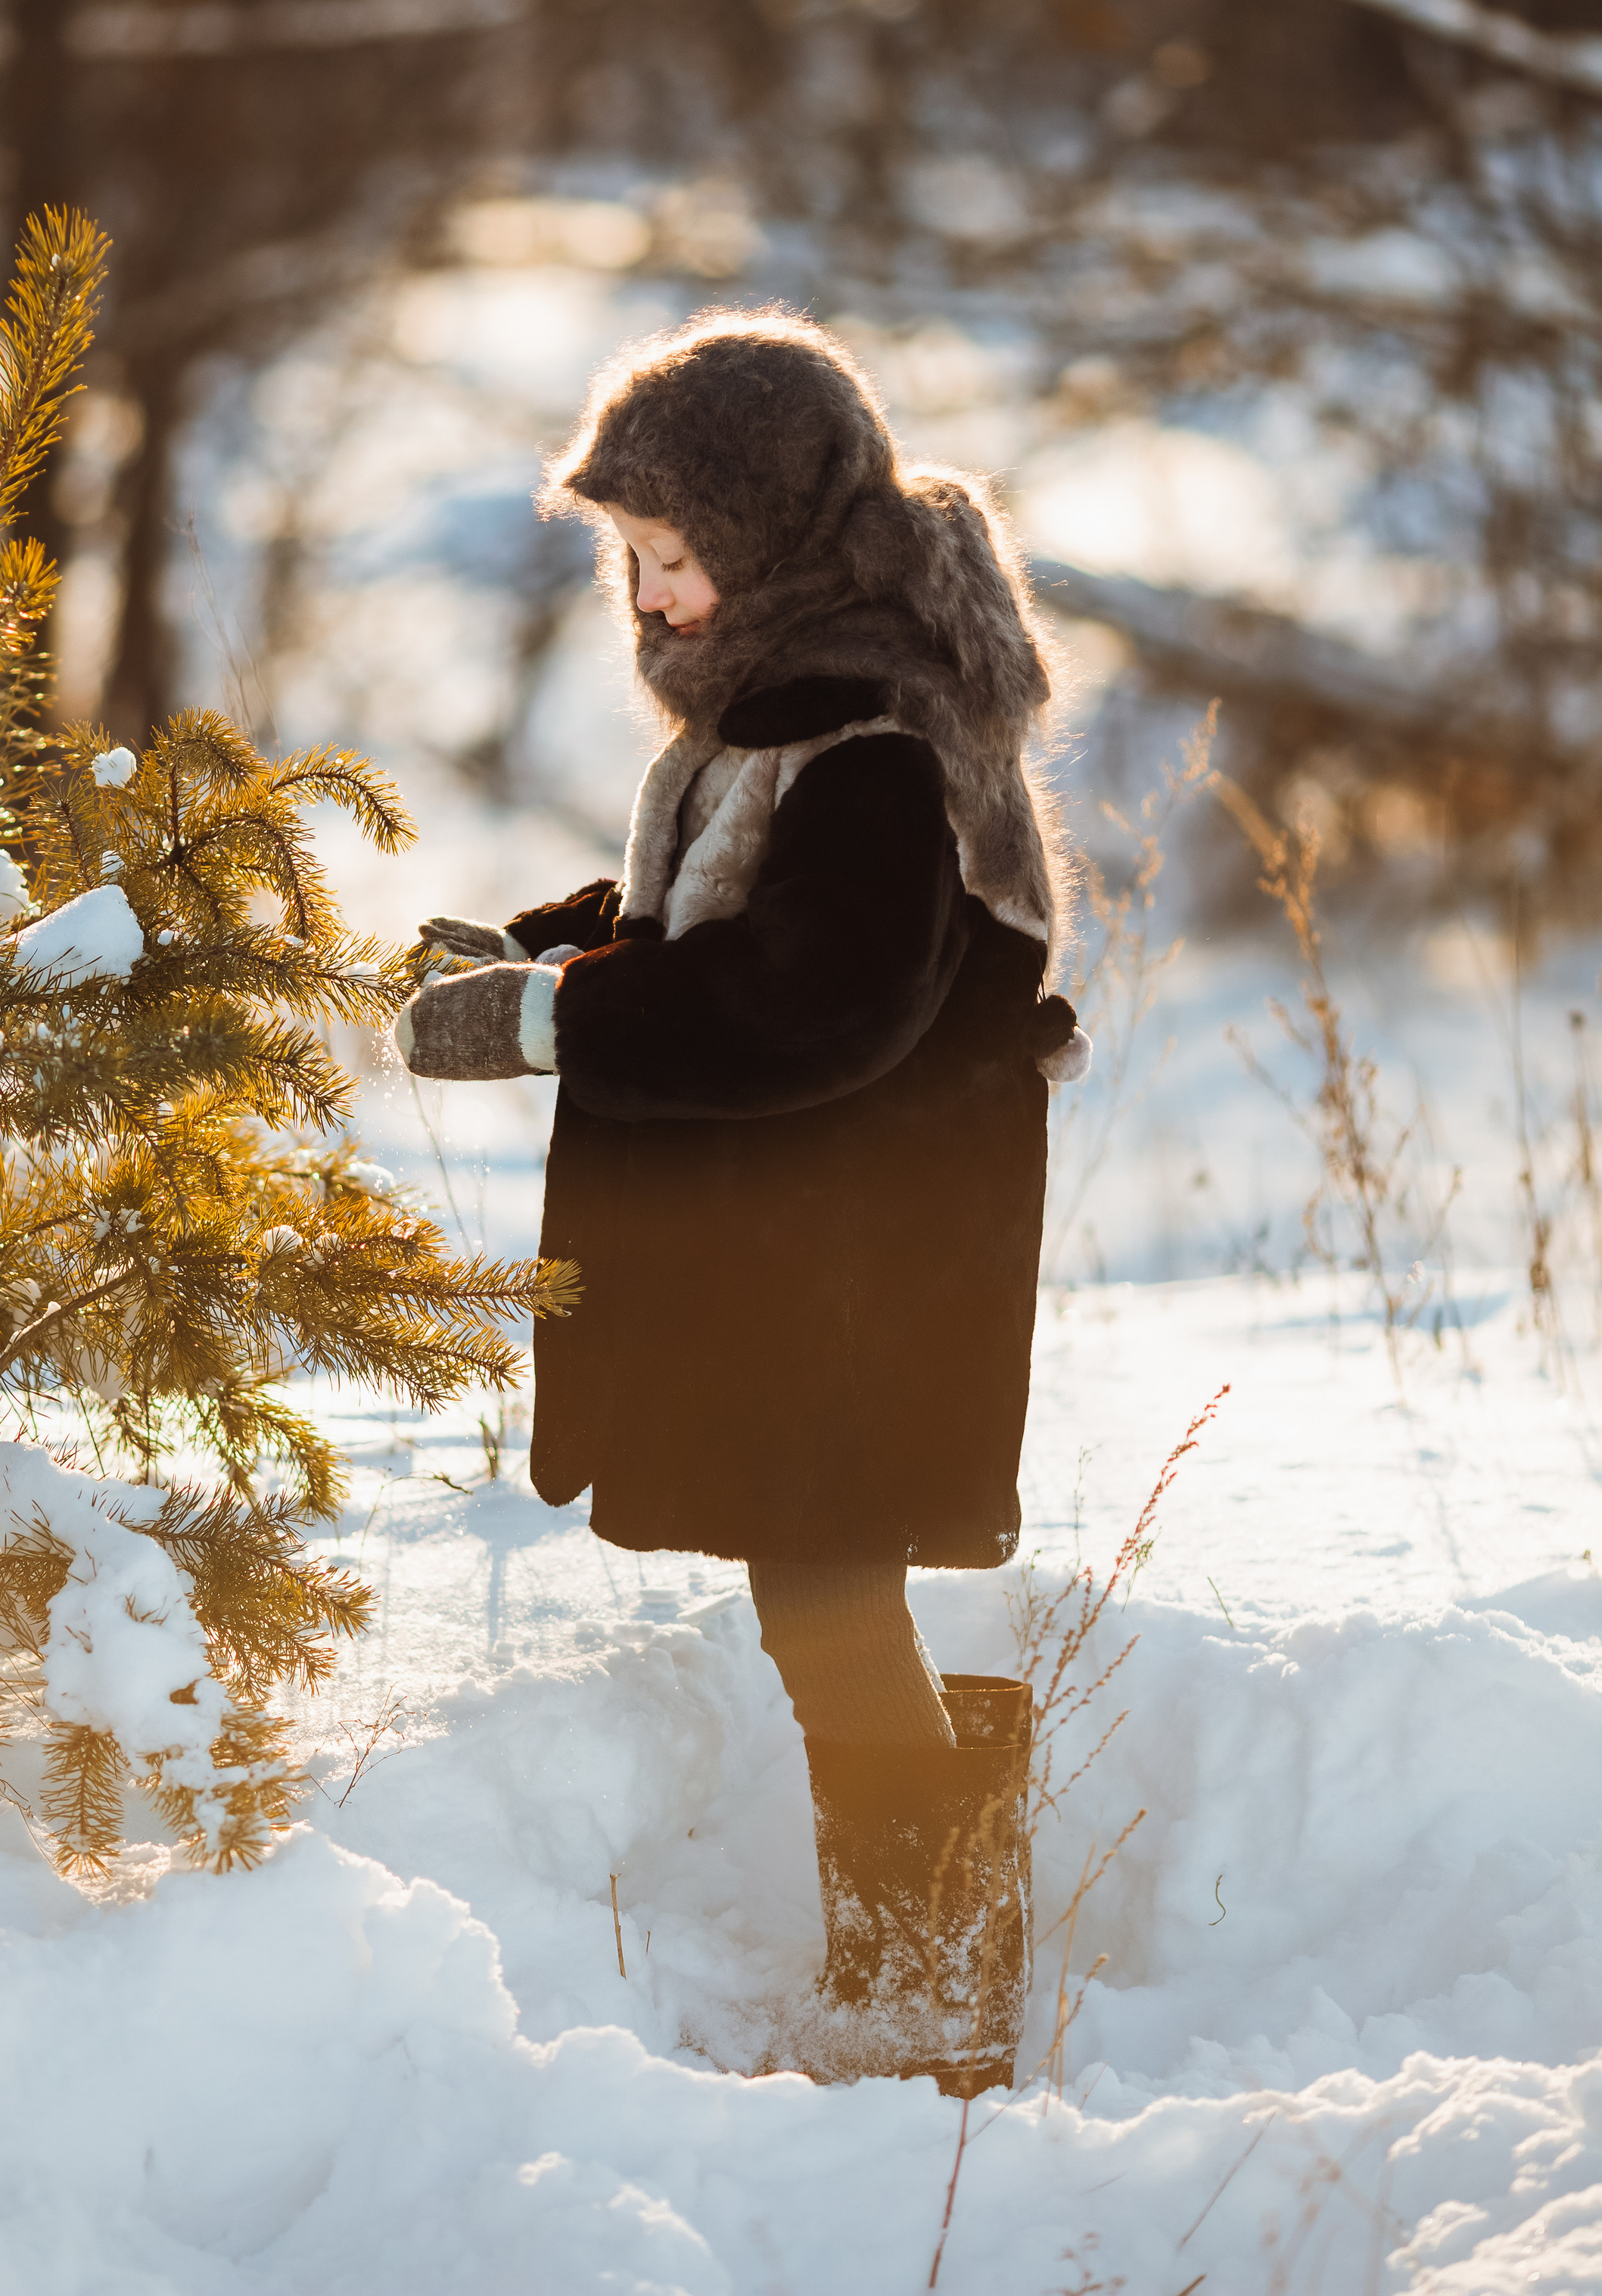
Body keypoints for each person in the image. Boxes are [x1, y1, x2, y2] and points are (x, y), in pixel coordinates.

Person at [396, 310, 1087, 2093]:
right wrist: (546, 945)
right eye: (629, 560)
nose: (647, 598)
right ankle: (950, 1839)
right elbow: (720, 908)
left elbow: (810, 1003)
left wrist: (558, 1022)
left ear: (770, 541)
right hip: (823, 1250)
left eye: (674, 558)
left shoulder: (866, 739)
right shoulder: (794, 698)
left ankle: (929, 1973)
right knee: (820, 1583)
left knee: (823, 1593)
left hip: (853, 1265)